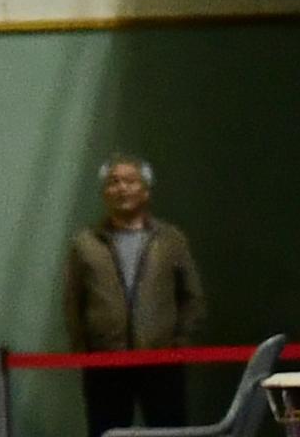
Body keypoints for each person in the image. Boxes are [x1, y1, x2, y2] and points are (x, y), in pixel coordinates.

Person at [65, 154, 205, 436]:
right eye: (114, 182)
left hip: (162, 361)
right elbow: (73, 302)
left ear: (145, 190)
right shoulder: (85, 244)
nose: (122, 188)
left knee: (170, 431)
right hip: (105, 363)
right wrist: (83, 349)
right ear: (105, 192)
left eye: (130, 181)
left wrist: (180, 341)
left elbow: (192, 297)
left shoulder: (170, 240)